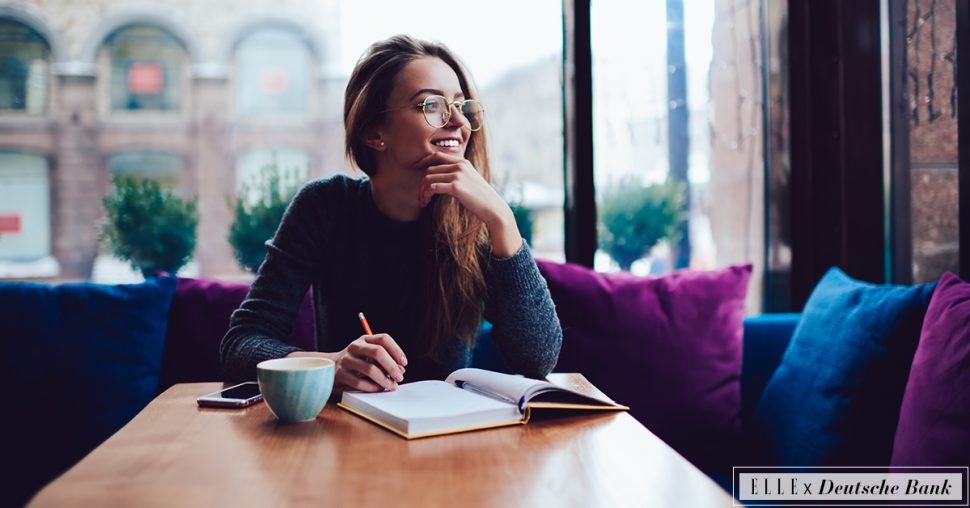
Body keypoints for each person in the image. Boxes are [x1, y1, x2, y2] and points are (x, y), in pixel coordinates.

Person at [220, 35, 562, 397]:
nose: (457, 121)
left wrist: (502, 221)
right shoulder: (324, 206)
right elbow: (241, 344)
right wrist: (329, 367)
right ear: (374, 132)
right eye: (431, 105)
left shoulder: (476, 217)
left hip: (448, 433)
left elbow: (538, 360)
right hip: (349, 431)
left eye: (461, 106)